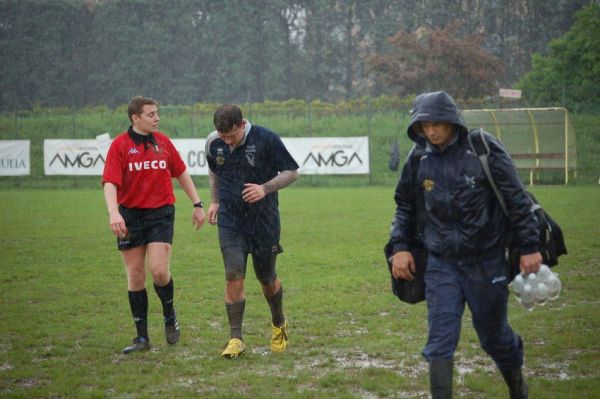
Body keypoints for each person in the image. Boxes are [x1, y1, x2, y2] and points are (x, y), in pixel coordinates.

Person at [389, 91, 542, 398]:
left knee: (493, 337)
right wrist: (400, 247)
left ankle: (517, 387)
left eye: (437, 124)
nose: (431, 131)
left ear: (452, 121)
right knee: (440, 340)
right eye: (424, 125)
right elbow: (404, 205)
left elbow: (516, 199)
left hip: (486, 262)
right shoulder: (418, 158)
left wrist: (529, 246)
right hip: (441, 264)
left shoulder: (483, 149)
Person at [102, 96, 206, 354]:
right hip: (130, 216)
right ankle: (142, 338)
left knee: (159, 271)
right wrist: (114, 213)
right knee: (136, 276)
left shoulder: (164, 142)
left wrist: (197, 203)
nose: (156, 118)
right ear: (135, 118)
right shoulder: (120, 145)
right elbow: (110, 183)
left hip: (160, 213)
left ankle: (169, 314)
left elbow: (181, 172)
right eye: (150, 114)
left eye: (157, 113)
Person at [205, 104, 299, 358]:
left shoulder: (266, 138)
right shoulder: (213, 143)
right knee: (233, 274)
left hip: (263, 221)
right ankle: (235, 338)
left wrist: (264, 189)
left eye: (231, 136)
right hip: (231, 220)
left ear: (242, 124)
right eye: (222, 136)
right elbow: (214, 171)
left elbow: (292, 172)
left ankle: (279, 324)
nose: (227, 141)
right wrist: (214, 201)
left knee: (266, 279)